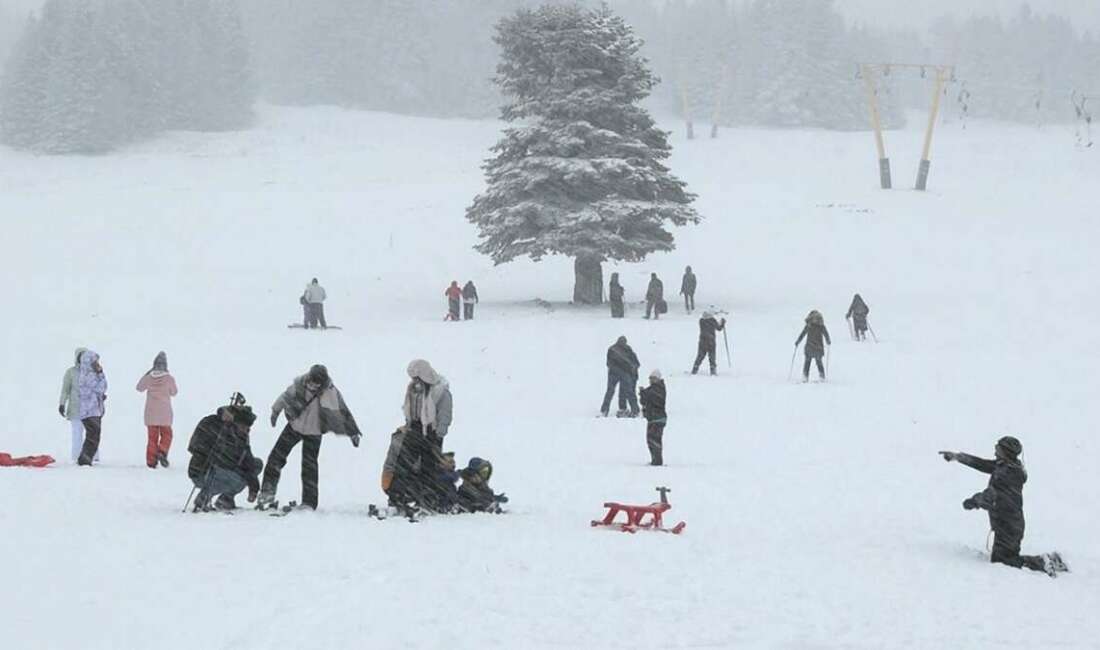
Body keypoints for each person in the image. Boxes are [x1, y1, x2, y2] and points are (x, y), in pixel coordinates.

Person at [940, 437, 1067, 576]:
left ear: (1006, 452)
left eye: (998, 448)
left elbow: (990, 496)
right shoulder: (1007, 466)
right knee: (1004, 558)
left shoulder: (1005, 474)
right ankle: (1052, 560)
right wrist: (958, 457)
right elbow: (983, 464)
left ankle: (1043, 562)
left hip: (1008, 525)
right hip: (1008, 523)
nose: (995, 451)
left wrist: (973, 501)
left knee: (1005, 561)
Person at [259, 365, 362, 510]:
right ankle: (266, 494)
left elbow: (342, 411)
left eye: (317, 383)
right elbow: (285, 397)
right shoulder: (299, 385)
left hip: (314, 431)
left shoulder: (330, 392)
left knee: (309, 467)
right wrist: (275, 412)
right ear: (309, 377)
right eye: (312, 381)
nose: (313, 385)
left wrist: (353, 432)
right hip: (294, 426)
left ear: (323, 382)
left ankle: (309, 502)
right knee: (276, 457)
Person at [188, 398, 263, 512]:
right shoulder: (213, 423)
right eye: (244, 427)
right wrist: (212, 453)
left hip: (224, 470)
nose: (247, 430)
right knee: (236, 479)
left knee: (256, 464)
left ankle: (226, 499)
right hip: (202, 471)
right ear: (235, 422)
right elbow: (194, 446)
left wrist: (254, 487)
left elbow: (249, 463)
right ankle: (204, 497)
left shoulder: (242, 437)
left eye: (248, 428)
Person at [380, 428, 458, 513]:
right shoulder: (404, 445)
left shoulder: (408, 445)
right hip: (394, 479)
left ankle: (404, 501)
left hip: (396, 479)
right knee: (418, 482)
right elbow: (407, 465)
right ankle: (404, 501)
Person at [136, 351, 178, 469]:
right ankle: (162, 451)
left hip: (150, 412)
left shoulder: (149, 378)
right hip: (165, 412)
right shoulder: (169, 378)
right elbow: (174, 392)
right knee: (167, 434)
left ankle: (151, 461)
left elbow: (139, 388)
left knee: (152, 438)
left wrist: (147, 374)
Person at [59, 348, 96, 463]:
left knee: (92, 434)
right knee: (77, 434)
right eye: (81, 356)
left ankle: (93, 456)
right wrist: (62, 403)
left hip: (91, 409)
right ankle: (76, 456)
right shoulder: (71, 372)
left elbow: (98, 387)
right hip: (76, 408)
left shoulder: (93, 371)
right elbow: (65, 389)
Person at [76, 350, 108, 466]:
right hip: (91, 411)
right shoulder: (90, 375)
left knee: (91, 434)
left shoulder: (83, 374)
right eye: (95, 362)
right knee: (94, 435)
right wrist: (101, 373)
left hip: (87, 411)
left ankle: (84, 458)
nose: (98, 364)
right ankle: (85, 459)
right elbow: (102, 387)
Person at [600, 336, 640, 417]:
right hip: (614, 374)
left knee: (626, 391)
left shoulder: (627, 349)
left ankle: (626, 409)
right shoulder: (612, 350)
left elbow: (635, 362)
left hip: (624, 373)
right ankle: (605, 410)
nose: (622, 344)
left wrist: (631, 369)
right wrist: (622, 371)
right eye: (621, 342)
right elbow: (609, 363)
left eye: (623, 343)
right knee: (611, 391)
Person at [638, 370, 667, 466]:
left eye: (653, 378)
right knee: (651, 440)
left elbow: (654, 398)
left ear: (658, 379)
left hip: (657, 418)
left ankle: (657, 461)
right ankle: (655, 460)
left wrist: (643, 393)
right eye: (650, 378)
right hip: (653, 418)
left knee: (654, 440)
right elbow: (644, 401)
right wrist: (643, 394)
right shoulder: (652, 389)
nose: (651, 380)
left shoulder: (659, 389)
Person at [795, 310, 831, 382]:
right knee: (819, 363)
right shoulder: (821, 326)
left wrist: (798, 341)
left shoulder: (809, 325)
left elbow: (803, 334)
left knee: (807, 363)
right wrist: (828, 341)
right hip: (818, 347)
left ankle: (805, 377)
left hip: (809, 347)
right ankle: (822, 376)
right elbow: (826, 334)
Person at [691, 311, 727, 375]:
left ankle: (694, 370)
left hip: (702, 342)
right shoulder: (712, 320)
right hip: (711, 342)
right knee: (712, 357)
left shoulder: (701, 321)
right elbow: (719, 328)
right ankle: (713, 371)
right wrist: (722, 323)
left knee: (700, 356)